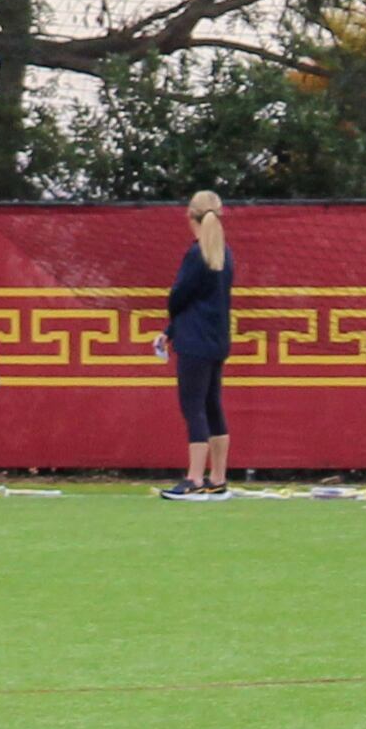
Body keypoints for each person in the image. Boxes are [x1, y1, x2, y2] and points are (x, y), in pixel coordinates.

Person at [156, 191, 235, 500]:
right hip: (216, 340)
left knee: (193, 407)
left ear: (191, 215)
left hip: (194, 341)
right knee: (212, 404)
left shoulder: (196, 254)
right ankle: (218, 478)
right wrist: (170, 331)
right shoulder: (224, 253)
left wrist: (172, 325)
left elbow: (179, 298)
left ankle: (194, 478)